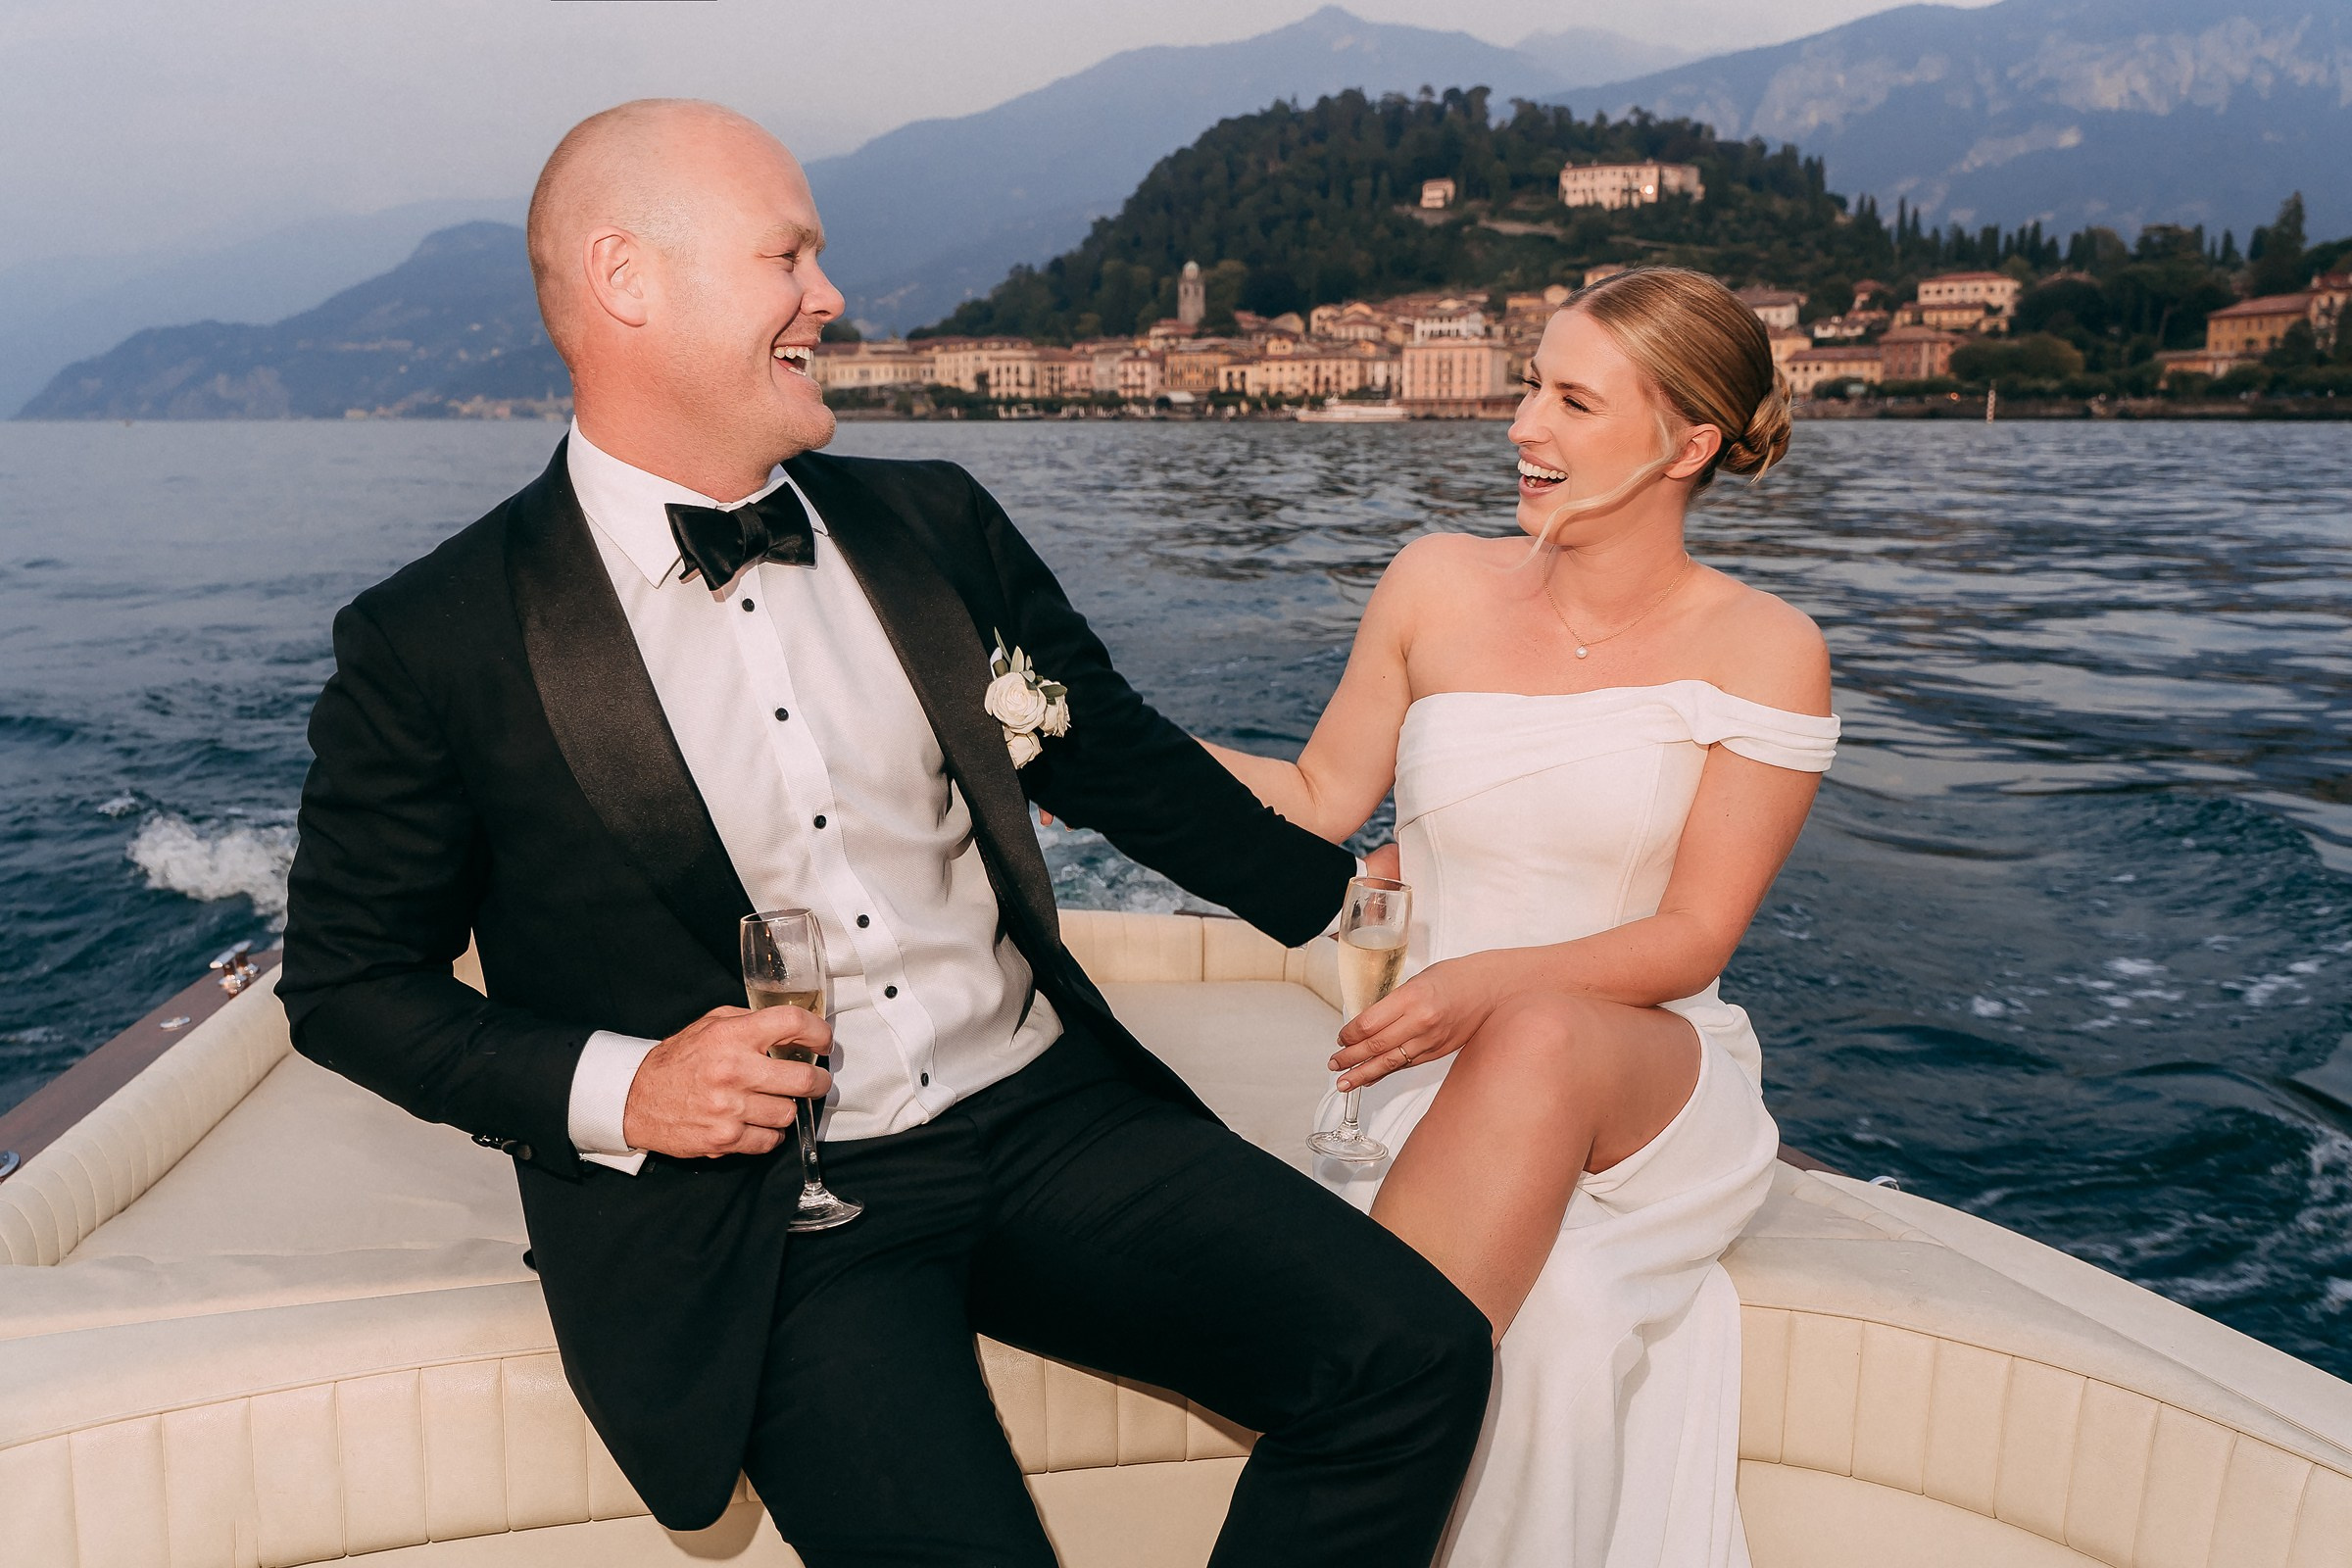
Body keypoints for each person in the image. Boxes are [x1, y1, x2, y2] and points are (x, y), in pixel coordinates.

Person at [279, 98, 1491, 1567]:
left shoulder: (937, 522)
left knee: (1412, 1353)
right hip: (768, 1213)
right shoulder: (437, 636)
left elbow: (1120, 762)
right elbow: (346, 985)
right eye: (788, 255)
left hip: (1050, 1116)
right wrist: (629, 1087)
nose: (830, 296)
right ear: (626, 282)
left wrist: (1357, 903)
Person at [1204, 266, 1836, 1565]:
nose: (1521, 426)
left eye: (1571, 399)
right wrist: (1085, 747)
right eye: (1528, 385)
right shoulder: (1436, 582)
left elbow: (1693, 939)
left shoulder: (1766, 646)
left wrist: (1480, 987)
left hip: (1640, 1060)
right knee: (1563, 1316)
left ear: (1688, 443)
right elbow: (1320, 798)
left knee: (1541, 1031)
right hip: (1432, 1062)